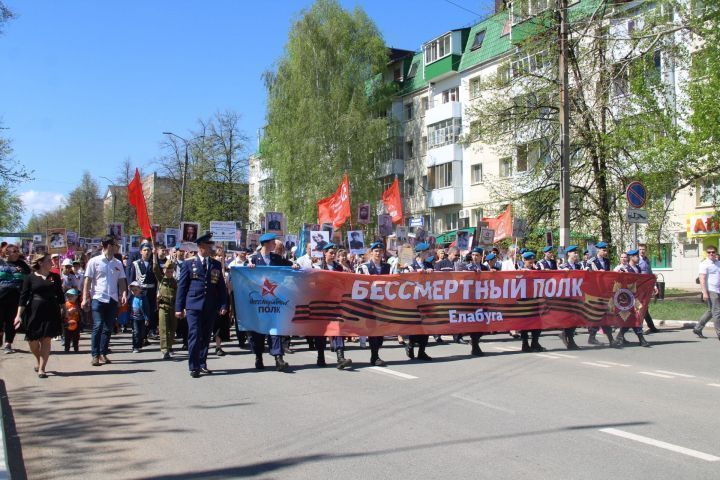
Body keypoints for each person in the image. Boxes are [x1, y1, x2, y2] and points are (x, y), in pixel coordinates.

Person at [176, 233, 228, 378]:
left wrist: (223, 304)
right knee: (194, 335)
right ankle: (193, 366)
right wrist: (178, 308)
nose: (210, 248)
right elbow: (182, 287)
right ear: (200, 247)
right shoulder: (188, 263)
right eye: (207, 245)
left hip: (210, 306)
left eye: (210, 245)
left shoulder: (215, 264)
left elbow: (221, 287)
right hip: (193, 305)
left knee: (205, 336)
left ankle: (202, 362)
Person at [247, 233, 298, 371]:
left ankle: (278, 358)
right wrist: (248, 268)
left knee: (275, 328)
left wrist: (294, 265)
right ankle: (259, 356)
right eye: (273, 243)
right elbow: (244, 277)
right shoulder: (253, 259)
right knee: (259, 331)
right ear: (265, 244)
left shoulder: (276, 258)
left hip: (274, 300)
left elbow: (290, 265)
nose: (275, 245)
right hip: (259, 301)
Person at [14, 253, 64, 378]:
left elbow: (60, 295)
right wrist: (18, 315)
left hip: (51, 310)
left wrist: (65, 310)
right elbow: (23, 297)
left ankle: (42, 368)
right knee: (33, 340)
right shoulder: (30, 278)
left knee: (46, 339)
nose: (51, 263)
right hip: (34, 311)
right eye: (48, 261)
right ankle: (37, 358)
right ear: (41, 263)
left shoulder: (55, 277)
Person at [82, 236, 127, 366]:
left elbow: (122, 280)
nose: (116, 247)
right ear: (107, 245)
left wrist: (123, 293)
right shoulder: (94, 261)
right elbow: (87, 280)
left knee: (108, 328)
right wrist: (85, 298)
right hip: (98, 298)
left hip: (112, 299)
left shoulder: (117, 263)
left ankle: (103, 353)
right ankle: (95, 355)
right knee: (98, 325)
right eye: (114, 244)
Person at [312, 243, 353, 369]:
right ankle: (320, 356)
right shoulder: (317, 267)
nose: (333, 255)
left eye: (334, 253)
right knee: (321, 331)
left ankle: (340, 357)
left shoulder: (339, 268)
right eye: (331, 252)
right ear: (325, 253)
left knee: (337, 329)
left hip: (335, 303)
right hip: (321, 303)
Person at [357, 241, 391, 366]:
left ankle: (376, 352)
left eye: (380, 251)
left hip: (382, 303)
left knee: (381, 332)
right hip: (369, 303)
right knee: (373, 330)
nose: (378, 253)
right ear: (371, 252)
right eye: (376, 251)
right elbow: (358, 283)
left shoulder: (387, 267)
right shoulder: (364, 267)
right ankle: (374, 356)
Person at [612, 249, 650, 347]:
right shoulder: (625, 269)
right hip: (627, 298)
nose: (638, 257)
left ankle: (620, 336)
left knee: (633, 318)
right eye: (636, 256)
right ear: (631, 257)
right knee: (634, 317)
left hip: (636, 296)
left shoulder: (637, 268)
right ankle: (641, 339)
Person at [0, 244, 31, 354]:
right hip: (1, 297)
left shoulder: (22, 264)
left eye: (18, 251)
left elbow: (29, 277)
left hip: (16, 298)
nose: (17, 253)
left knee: (11, 321)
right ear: (7, 253)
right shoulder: (1, 262)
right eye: (15, 251)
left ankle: (8, 343)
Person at [127, 242, 158, 343]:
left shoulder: (154, 264)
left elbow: (156, 280)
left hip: (151, 292)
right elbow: (132, 279)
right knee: (138, 314)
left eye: (148, 250)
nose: (147, 252)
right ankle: (138, 337)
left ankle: (145, 336)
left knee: (149, 314)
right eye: (145, 250)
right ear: (141, 252)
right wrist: (131, 293)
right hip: (139, 292)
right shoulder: (136, 264)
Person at [587, 241, 616, 346]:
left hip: (605, 292)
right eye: (603, 250)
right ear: (598, 250)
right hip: (595, 292)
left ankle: (609, 339)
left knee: (605, 315)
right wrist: (599, 273)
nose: (605, 252)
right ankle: (597, 338)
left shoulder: (607, 261)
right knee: (598, 315)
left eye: (606, 250)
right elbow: (588, 276)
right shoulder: (591, 261)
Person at [518, 251, 546, 352]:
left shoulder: (536, 270)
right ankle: (525, 344)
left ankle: (535, 342)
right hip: (524, 301)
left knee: (538, 322)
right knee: (525, 323)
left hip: (535, 300)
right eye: (529, 262)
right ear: (524, 261)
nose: (531, 263)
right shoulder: (520, 271)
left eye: (532, 261)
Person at [558, 246, 584, 350]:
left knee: (576, 318)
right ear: (568, 254)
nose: (576, 255)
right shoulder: (563, 266)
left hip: (577, 296)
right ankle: (570, 339)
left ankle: (566, 335)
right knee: (569, 318)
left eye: (577, 253)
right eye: (574, 253)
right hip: (567, 296)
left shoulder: (579, 266)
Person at [693, 245, 720, 340]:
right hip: (711, 290)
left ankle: (697, 328)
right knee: (717, 312)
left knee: (711, 311)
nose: (711, 254)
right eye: (709, 252)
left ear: (716, 252)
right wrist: (704, 292)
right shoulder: (704, 264)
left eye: (713, 252)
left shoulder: (718, 263)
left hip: (718, 290)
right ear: (706, 253)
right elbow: (702, 279)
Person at [637, 244, 659, 334]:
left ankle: (650, 326)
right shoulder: (636, 260)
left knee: (645, 306)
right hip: (639, 286)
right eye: (640, 249)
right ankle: (640, 327)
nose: (642, 251)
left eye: (643, 249)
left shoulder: (647, 260)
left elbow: (650, 273)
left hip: (647, 286)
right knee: (641, 306)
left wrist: (654, 285)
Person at [128, 281, 148, 353]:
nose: (134, 292)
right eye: (132, 290)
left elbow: (146, 309)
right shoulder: (131, 298)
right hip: (134, 318)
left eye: (136, 290)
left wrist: (146, 318)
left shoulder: (143, 298)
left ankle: (139, 345)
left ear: (140, 289)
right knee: (135, 332)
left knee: (142, 333)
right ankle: (135, 346)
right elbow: (128, 308)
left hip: (142, 318)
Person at [63, 288, 81, 353]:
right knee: (67, 337)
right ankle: (66, 348)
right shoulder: (66, 304)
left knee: (76, 337)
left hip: (76, 323)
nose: (69, 297)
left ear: (76, 297)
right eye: (68, 296)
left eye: (71, 296)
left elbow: (80, 313)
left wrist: (78, 311)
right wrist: (69, 311)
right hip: (67, 323)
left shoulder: (77, 304)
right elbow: (63, 313)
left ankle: (76, 348)